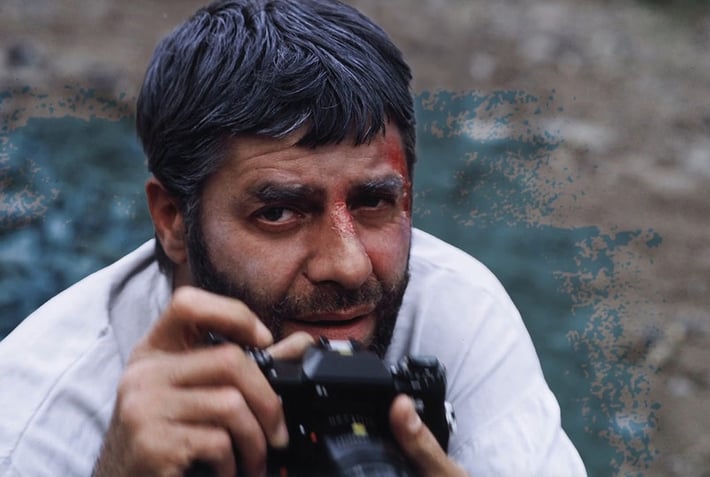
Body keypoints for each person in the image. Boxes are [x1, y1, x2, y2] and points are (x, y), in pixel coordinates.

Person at [0, 0, 587, 475]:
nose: (350, 266)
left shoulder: (455, 311)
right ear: (173, 219)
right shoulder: (36, 418)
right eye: (279, 213)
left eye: (374, 202)